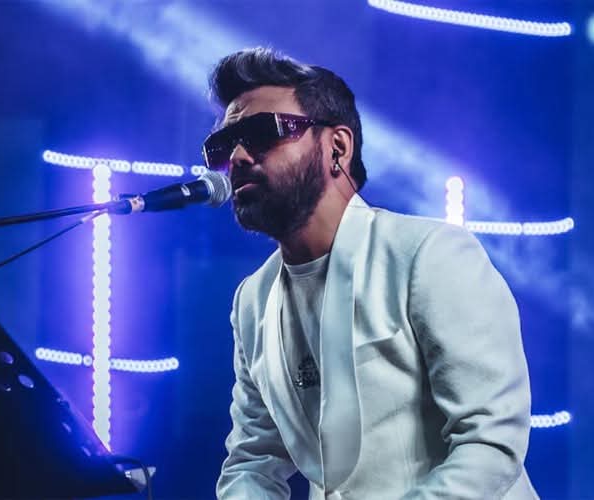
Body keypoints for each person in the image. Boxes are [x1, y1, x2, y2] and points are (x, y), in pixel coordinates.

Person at [204, 48, 537, 499]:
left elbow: (491, 443)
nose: (238, 156)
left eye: (263, 132)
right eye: (222, 146)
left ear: (337, 147)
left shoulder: (429, 254)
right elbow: (252, 462)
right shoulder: (252, 301)